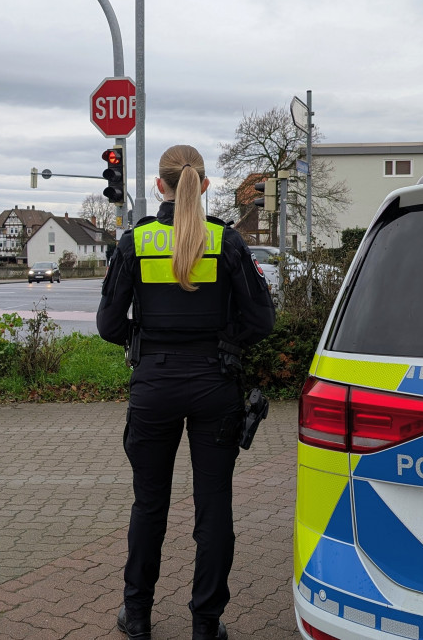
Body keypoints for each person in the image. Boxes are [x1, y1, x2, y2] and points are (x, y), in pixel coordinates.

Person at [97, 144, 275, 640]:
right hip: (215, 383)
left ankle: (137, 616)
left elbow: (109, 325)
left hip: (153, 385)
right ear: (205, 185)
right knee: (213, 508)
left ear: (161, 186)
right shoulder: (227, 241)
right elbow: (262, 320)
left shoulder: (135, 242)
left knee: (148, 505)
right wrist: (225, 342)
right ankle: (206, 624)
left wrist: (144, 340)